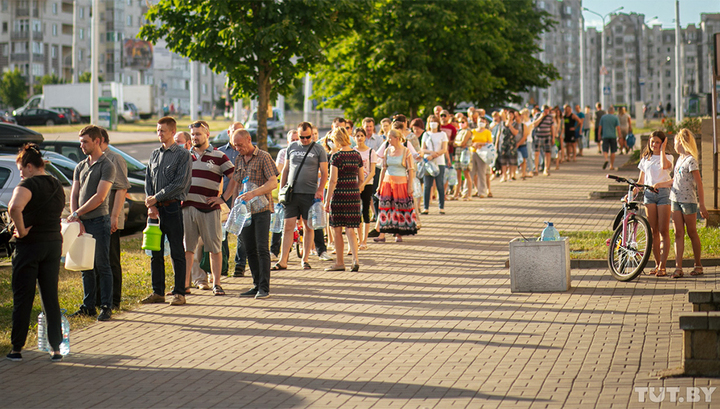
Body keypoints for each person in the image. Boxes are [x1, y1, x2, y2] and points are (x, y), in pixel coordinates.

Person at [7, 144, 66, 362]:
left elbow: (14, 208)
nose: (20, 173)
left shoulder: (28, 184)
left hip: (30, 245)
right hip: (52, 243)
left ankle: (17, 348)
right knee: (50, 297)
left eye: (21, 169)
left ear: (30, 167)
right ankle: (56, 348)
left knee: (23, 296)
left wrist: (21, 231)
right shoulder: (56, 184)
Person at [221, 129, 279, 299]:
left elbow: (273, 183)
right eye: (235, 145)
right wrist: (234, 209)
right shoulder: (239, 158)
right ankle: (256, 284)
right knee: (250, 249)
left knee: (262, 248)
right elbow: (237, 185)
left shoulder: (263, 157)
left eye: (240, 145)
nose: (237, 148)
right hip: (244, 212)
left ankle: (264, 288)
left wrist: (254, 193)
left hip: (261, 210)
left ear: (249, 140)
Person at [142, 117, 192, 306]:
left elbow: (180, 183)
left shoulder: (182, 155)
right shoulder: (155, 154)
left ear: (172, 131)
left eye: (163, 130)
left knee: (177, 251)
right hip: (156, 210)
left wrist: (158, 197)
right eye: (158, 130)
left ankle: (179, 292)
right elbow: (149, 180)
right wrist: (151, 203)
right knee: (155, 251)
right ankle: (158, 292)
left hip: (172, 208)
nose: (159, 134)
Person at [68, 125, 116, 322]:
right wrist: (75, 216)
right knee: (84, 265)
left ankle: (106, 305)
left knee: (102, 264)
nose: (82, 146)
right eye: (80, 142)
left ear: (97, 141)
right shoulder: (80, 166)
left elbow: (100, 196)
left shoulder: (107, 166)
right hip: (82, 222)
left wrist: (78, 212)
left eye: (85, 142)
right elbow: (74, 193)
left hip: (99, 221)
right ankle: (88, 306)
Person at [182, 120, 235, 296]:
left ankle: (217, 284)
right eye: (193, 134)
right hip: (187, 208)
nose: (195, 137)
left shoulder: (219, 156)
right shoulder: (184, 156)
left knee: (214, 247)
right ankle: (185, 285)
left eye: (198, 134)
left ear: (207, 134)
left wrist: (223, 198)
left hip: (209, 209)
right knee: (188, 249)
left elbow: (235, 177)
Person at [274, 122, 328, 271]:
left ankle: (305, 259)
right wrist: (282, 188)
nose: (304, 140)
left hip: (310, 193)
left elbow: (324, 172)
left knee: (308, 226)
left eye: (308, 137)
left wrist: (320, 189)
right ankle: (283, 260)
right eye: (302, 137)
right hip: (292, 193)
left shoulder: (318, 149)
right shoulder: (292, 147)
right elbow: (285, 169)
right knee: (288, 226)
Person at [667, 129, 709, 278]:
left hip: (688, 201)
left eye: (675, 142)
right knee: (678, 233)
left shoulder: (691, 160)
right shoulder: (679, 159)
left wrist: (702, 204)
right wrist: (661, 185)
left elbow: (699, 183)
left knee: (692, 232)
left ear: (681, 142)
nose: (674, 145)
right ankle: (678, 267)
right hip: (675, 200)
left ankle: (698, 264)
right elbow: (675, 180)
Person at [634, 131, 673, 278]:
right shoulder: (646, 158)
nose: (654, 145)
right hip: (649, 195)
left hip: (663, 194)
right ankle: (657, 265)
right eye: (652, 142)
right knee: (653, 231)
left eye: (657, 142)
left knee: (663, 230)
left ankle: (663, 266)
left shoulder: (668, 157)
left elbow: (664, 167)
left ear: (662, 143)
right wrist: (632, 192)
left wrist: (662, 150)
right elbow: (641, 180)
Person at [324, 128, 363, 272]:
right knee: (351, 229)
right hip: (353, 195)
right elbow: (362, 178)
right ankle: (355, 259)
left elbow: (333, 180)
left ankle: (340, 262)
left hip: (339, 195)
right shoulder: (357, 155)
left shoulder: (336, 157)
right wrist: (355, 189)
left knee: (337, 229)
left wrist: (327, 201)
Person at [99, 129, 129, 311]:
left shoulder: (115, 159)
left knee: (111, 260)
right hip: (95, 219)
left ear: (100, 140)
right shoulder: (94, 160)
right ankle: (97, 298)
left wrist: (114, 216)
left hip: (110, 218)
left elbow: (121, 189)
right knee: (97, 260)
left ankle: (114, 300)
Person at [373, 129, 418, 242]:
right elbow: (383, 168)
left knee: (399, 208)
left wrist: (410, 186)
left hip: (401, 183)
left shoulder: (406, 151)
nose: (388, 140)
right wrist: (379, 185)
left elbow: (410, 170)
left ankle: (398, 234)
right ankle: (382, 234)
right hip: (387, 183)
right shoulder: (387, 150)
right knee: (385, 208)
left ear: (397, 138)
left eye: (390, 137)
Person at [218, 122, 246, 277]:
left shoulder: (247, 151)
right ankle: (222, 266)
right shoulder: (221, 153)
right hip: (224, 198)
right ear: (228, 132)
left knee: (241, 231)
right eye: (234, 130)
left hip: (242, 198)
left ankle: (240, 265)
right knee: (222, 233)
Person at [272, 129, 300, 260]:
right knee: (280, 219)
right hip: (287, 191)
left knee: (306, 220)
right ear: (288, 141)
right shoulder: (283, 153)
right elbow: (279, 169)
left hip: (301, 189)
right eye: (292, 139)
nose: (295, 141)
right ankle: (274, 250)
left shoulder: (304, 152)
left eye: (297, 139)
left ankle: (318, 248)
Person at [352, 128, 376, 250]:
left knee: (365, 211)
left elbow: (372, 172)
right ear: (354, 137)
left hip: (367, 183)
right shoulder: (352, 151)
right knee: (356, 213)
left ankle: (364, 240)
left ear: (365, 137)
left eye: (362, 135)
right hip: (354, 184)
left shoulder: (371, 152)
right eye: (357, 136)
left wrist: (363, 183)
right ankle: (358, 238)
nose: (360, 138)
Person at [420, 115, 447, 214]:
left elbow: (444, 149)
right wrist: (431, 153)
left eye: (435, 121)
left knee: (440, 185)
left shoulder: (442, 134)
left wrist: (435, 154)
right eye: (431, 121)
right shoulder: (426, 134)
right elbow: (422, 148)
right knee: (427, 185)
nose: (433, 123)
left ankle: (441, 207)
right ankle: (426, 207)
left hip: (439, 162)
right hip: (428, 162)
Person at [469, 116, 493, 198]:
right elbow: (469, 141)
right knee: (471, 173)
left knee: (482, 173)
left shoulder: (487, 132)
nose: (481, 122)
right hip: (473, 152)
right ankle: (467, 191)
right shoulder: (473, 131)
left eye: (483, 121)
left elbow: (489, 142)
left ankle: (482, 192)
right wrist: (473, 144)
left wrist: (480, 144)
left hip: (483, 154)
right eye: (480, 121)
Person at [452, 116, 474, 200]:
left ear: (467, 122)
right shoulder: (460, 131)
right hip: (458, 152)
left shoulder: (468, 131)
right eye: (459, 122)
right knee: (458, 173)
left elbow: (463, 142)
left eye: (463, 122)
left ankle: (469, 194)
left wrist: (458, 143)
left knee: (466, 173)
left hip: (465, 153)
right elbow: (455, 143)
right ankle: (456, 193)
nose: (461, 124)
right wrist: (458, 143)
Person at [532, 105, 555, 177]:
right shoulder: (537, 115)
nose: (546, 112)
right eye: (544, 111)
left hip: (547, 136)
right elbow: (534, 124)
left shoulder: (550, 117)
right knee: (537, 153)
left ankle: (546, 169)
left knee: (547, 153)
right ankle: (536, 169)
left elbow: (552, 127)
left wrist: (553, 137)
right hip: (538, 136)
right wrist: (541, 117)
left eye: (547, 111)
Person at [496, 110, 519, 183]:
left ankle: (511, 175)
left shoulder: (515, 124)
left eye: (512, 115)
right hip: (503, 144)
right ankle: (504, 176)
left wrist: (510, 125)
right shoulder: (502, 123)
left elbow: (515, 133)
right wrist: (496, 144)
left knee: (512, 160)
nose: (510, 116)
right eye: (509, 114)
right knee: (503, 160)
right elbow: (498, 134)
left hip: (511, 144)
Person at [598, 106, 620, 171]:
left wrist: (599, 134)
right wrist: (619, 136)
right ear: (613, 111)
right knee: (613, 151)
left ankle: (606, 159)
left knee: (605, 149)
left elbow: (600, 127)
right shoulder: (615, 118)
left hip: (605, 136)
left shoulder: (603, 117)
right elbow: (618, 128)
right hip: (613, 136)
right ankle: (611, 166)